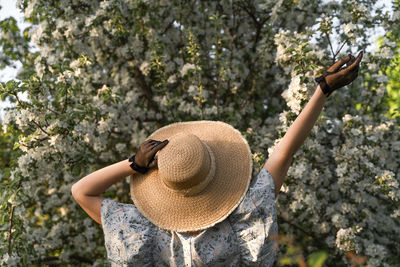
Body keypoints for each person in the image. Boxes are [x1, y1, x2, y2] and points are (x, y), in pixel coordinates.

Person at [71, 51, 363, 266]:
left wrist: (133, 164)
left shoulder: (142, 232)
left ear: (164, 185)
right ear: (216, 172)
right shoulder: (243, 220)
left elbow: (81, 191)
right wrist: (322, 90)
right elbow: (284, 153)